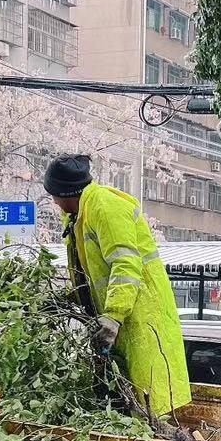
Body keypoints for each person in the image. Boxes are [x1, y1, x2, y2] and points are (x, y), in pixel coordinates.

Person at [42, 154, 190, 418]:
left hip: (139, 316)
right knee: (124, 397)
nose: (53, 202)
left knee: (148, 400)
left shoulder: (104, 207)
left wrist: (112, 316)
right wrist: (67, 299)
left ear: (65, 193)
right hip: (121, 318)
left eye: (53, 195)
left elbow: (125, 265)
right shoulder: (78, 216)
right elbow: (90, 272)